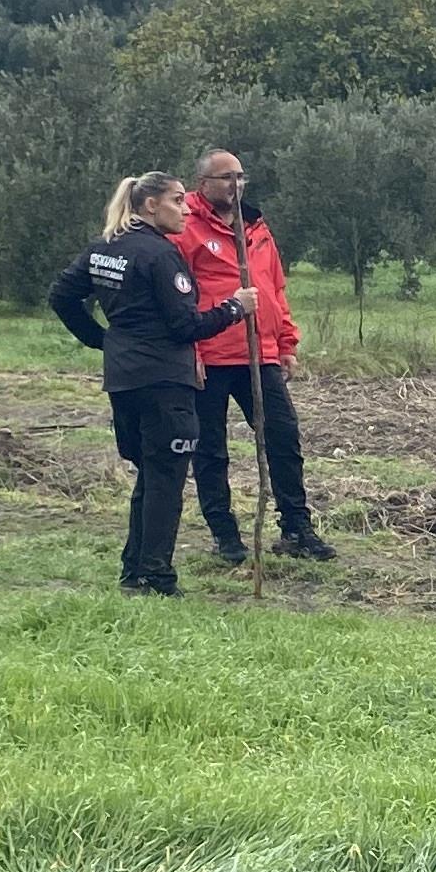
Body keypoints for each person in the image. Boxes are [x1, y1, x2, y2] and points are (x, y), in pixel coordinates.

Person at [48, 173, 227, 594]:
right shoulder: (160, 254)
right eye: (178, 201)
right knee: (165, 478)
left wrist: (104, 340)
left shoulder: (104, 247)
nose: (186, 209)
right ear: (150, 205)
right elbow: (186, 325)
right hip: (165, 380)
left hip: (124, 380)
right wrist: (235, 309)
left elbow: (61, 296)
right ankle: (156, 575)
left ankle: (135, 570)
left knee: (150, 474)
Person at [175, 148, 333, 566]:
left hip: (259, 354)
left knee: (283, 436)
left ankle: (296, 528)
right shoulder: (185, 226)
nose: (236, 185)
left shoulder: (257, 227)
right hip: (210, 353)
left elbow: (275, 288)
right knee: (211, 448)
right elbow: (178, 298)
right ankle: (224, 533)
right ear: (203, 183)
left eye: (241, 177)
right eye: (227, 178)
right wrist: (190, 350)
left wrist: (286, 343)